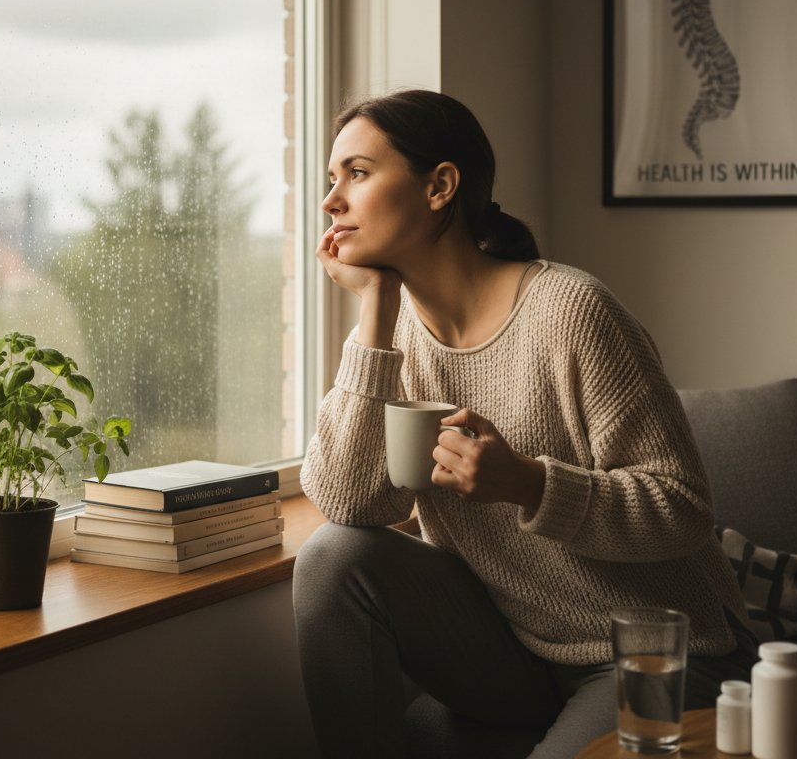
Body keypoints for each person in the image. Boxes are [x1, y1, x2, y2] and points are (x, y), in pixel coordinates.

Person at [292, 89, 756, 758]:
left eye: (357, 174)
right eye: (331, 180)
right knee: (332, 556)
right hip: (516, 653)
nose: (331, 201)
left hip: (657, 651)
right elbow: (352, 504)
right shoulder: (393, 338)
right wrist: (376, 310)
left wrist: (530, 484)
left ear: (440, 186)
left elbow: (680, 507)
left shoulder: (571, 312)